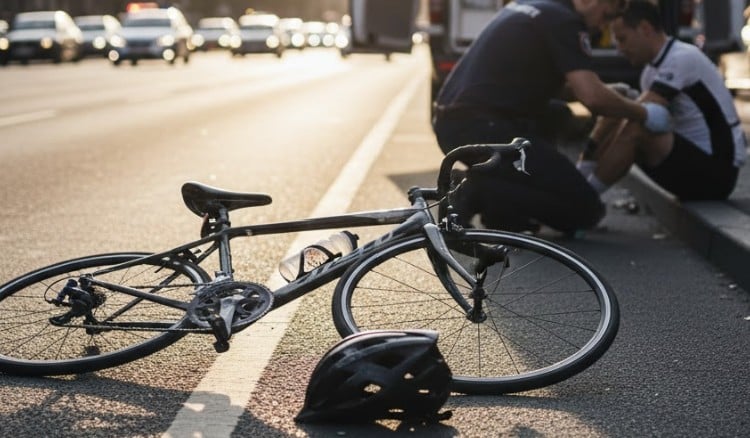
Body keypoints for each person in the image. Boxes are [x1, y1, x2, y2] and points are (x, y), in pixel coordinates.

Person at [432, 0, 672, 234]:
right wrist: (645, 112)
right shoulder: (565, 22)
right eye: (607, 16)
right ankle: (478, 188)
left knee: (558, 114)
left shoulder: (539, 6)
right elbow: (593, 98)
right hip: (480, 127)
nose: (604, 27)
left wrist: (608, 92)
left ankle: (505, 213)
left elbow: (542, 84)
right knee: (585, 209)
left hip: (457, 121)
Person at [577, 0, 747, 200]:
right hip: (690, 164)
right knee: (623, 103)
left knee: (636, 126)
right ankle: (580, 177)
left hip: (718, 173)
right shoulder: (649, 72)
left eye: (622, 39)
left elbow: (637, 117)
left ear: (645, 29)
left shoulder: (682, 58)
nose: (620, 50)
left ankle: (583, 199)